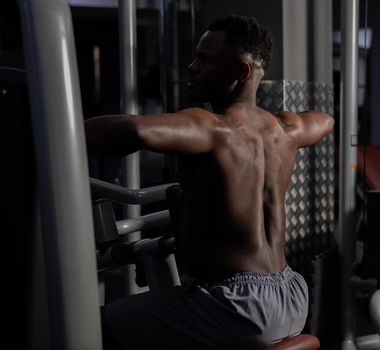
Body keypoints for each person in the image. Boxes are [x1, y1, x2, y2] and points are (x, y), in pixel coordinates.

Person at [86, 14, 334, 350]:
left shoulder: (212, 127)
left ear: (241, 71)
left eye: (205, 59)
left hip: (237, 307)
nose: (192, 66)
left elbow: (135, 130)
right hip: (291, 296)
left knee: (89, 328)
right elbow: (325, 121)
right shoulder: (285, 130)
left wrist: (53, 124)